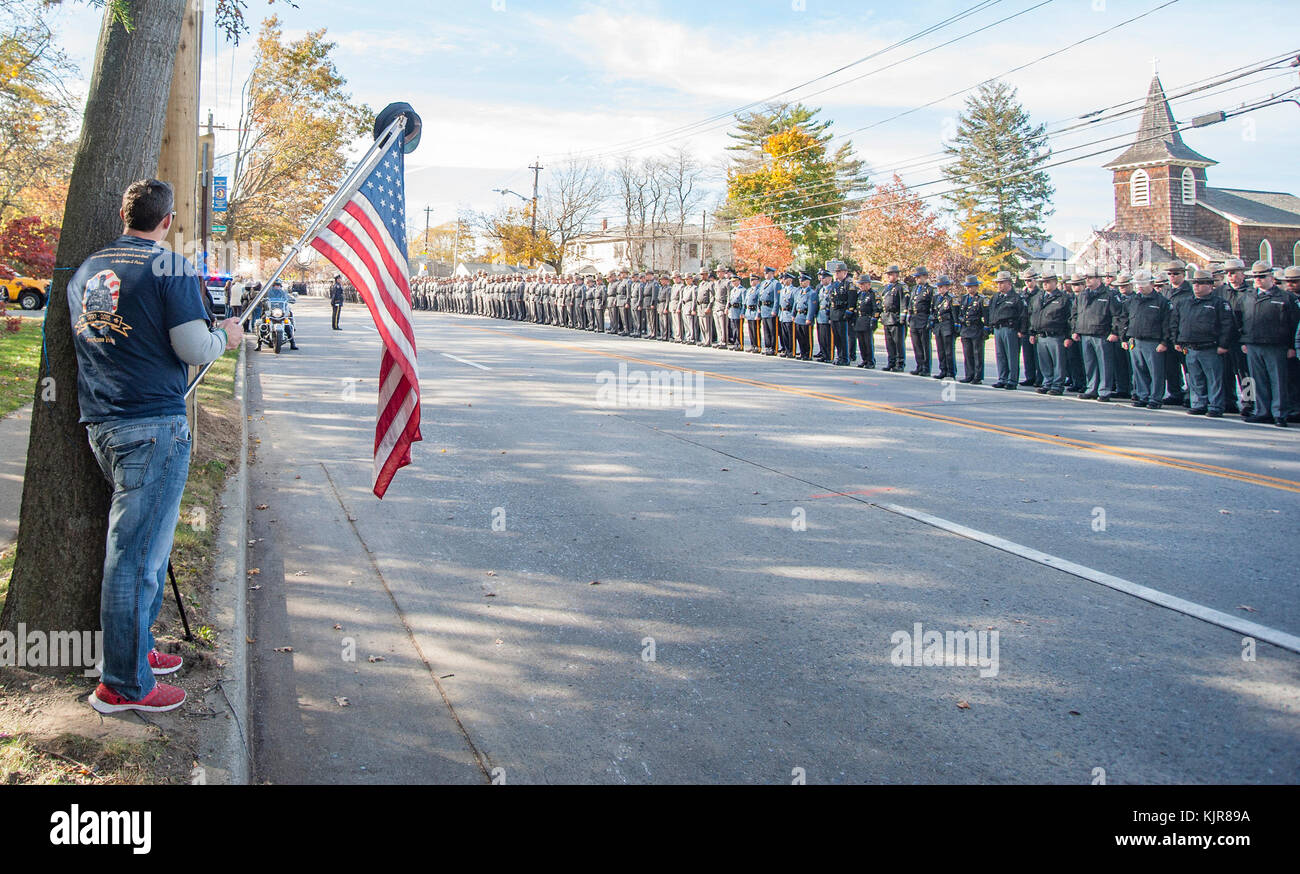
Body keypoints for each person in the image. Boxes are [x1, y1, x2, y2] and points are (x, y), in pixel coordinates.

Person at [70, 179, 243, 714]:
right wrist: (227, 338)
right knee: (136, 559)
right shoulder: (170, 266)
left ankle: (138, 651)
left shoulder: (89, 267)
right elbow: (192, 345)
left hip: (102, 420)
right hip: (151, 427)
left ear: (125, 214)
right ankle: (123, 684)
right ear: (167, 221)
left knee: (145, 552)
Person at [1233, 260, 1300, 426]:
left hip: (1276, 345)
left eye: (1262, 276)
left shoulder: (1286, 297)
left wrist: (1292, 346)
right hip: (1253, 344)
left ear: (1271, 276)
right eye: (1255, 276)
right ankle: (1263, 412)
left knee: (1278, 381)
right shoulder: (1247, 296)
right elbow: (1239, 320)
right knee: (1258, 380)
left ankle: (1280, 413)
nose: (1258, 279)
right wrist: (1244, 340)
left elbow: (1294, 323)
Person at [1172, 269, 1236, 417]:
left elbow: (1227, 325)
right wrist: (1176, 340)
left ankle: (1215, 406)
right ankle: (1198, 403)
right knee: (1195, 379)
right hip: (1190, 347)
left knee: (1214, 379)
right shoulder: (1184, 303)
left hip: (1210, 347)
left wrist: (1223, 345)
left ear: (1210, 285)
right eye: (1195, 283)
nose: (1196, 286)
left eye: (1200, 283)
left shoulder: (1219, 303)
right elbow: (1175, 322)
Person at [1116, 270, 1171, 410]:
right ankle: (1142, 396)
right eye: (1137, 284)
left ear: (1152, 283)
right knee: (1139, 370)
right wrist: (1124, 338)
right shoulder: (1132, 301)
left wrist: (1164, 341)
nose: (1139, 287)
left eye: (1143, 284)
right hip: (1135, 340)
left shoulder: (1161, 301)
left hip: (1153, 341)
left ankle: (1155, 398)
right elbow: (1124, 319)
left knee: (1156, 372)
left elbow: (1167, 323)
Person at [1028, 270, 1071, 395]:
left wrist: (1068, 336)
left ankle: (1057, 385)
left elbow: (1069, 318)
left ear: (1055, 282)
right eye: (1043, 282)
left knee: (1058, 362)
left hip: (1056, 335)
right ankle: (1047, 383)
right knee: (1044, 362)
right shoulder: (1038, 298)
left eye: (1048, 282)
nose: (1045, 284)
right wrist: (1032, 332)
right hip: (1041, 335)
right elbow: (1033, 316)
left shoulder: (1063, 298)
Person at [988, 271, 1026, 389]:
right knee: (1000, 355)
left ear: (1009, 283)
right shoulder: (996, 297)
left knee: (1012, 355)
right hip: (998, 328)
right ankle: (1002, 378)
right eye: (998, 283)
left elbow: (1023, 315)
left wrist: (1021, 330)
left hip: (1010, 328)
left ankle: (1012, 380)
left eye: (1001, 283)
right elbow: (991, 312)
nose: (999, 285)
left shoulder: (1016, 298)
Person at [957, 275, 989, 385]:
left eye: (971, 286)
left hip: (976, 328)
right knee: (967, 353)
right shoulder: (964, 298)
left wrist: (986, 329)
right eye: (967, 287)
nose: (969, 289)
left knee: (977, 354)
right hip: (966, 329)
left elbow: (986, 316)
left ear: (976, 287)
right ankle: (969, 374)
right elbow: (961, 313)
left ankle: (977, 376)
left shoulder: (982, 299)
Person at [907, 267, 934, 375]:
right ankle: (919, 366)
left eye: (919, 277)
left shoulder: (930, 290)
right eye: (916, 277)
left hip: (923, 318)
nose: (917, 279)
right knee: (916, 344)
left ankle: (926, 368)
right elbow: (910, 303)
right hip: (914, 318)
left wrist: (930, 319)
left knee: (924, 345)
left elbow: (932, 306)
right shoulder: (914, 289)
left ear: (925, 277)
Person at [879, 266, 906, 372]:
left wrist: (902, 317)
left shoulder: (901, 287)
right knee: (889, 342)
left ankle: (900, 363)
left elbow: (903, 302)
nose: (889, 276)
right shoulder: (887, 287)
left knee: (898, 343)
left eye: (891, 274)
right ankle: (891, 362)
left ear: (896, 275)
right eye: (888, 274)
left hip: (895, 318)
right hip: (887, 317)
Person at [931, 275, 958, 379]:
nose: (940, 289)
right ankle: (943, 370)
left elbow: (955, 314)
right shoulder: (936, 298)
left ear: (947, 287)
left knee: (948, 351)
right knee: (940, 350)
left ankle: (951, 371)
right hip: (939, 326)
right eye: (938, 287)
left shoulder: (951, 299)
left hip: (947, 326)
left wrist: (956, 327)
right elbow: (934, 311)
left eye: (942, 287)